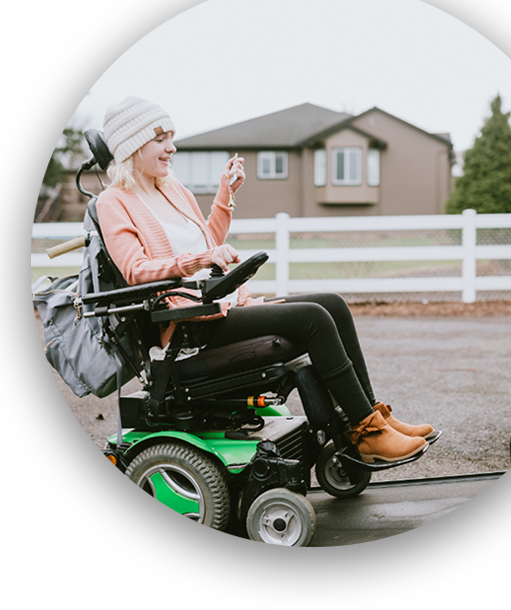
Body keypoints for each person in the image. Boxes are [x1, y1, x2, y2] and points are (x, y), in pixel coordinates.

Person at [96, 96, 435, 463]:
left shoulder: (172, 189)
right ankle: (365, 432)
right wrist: (202, 259)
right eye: (161, 138)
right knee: (313, 318)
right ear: (132, 144)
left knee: (332, 303)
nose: (172, 147)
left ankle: (373, 416)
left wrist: (225, 198)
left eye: (171, 137)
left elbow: (209, 243)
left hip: (222, 307)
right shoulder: (113, 202)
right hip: (189, 328)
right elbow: (136, 270)